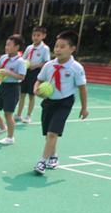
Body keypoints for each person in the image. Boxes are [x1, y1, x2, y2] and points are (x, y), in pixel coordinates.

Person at [33, 30, 88, 175]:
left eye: (62, 47)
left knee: (53, 133)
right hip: (48, 102)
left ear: (72, 48)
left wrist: (84, 108)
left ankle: (42, 161)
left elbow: (82, 88)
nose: (58, 49)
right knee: (48, 134)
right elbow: (39, 80)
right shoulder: (48, 65)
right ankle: (53, 155)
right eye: (56, 46)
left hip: (64, 103)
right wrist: (36, 89)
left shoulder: (76, 68)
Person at [0, 34, 27, 146]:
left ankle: (10, 137)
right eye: (6, 45)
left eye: (9, 45)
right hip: (3, 86)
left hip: (13, 88)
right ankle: (2, 127)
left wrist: (9, 73)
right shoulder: (3, 58)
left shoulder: (20, 61)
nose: (6, 47)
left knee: (8, 114)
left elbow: (22, 77)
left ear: (17, 47)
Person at [15, 26, 51, 124]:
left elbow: (46, 62)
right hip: (26, 72)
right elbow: (23, 58)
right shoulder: (29, 47)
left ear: (43, 36)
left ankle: (28, 116)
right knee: (22, 94)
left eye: (38, 35)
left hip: (35, 73)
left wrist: (35, 66)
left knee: (31, 95)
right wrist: (24, 64)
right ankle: (18, 114)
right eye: (34, 35)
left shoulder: (45, 48)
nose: (35, 37)